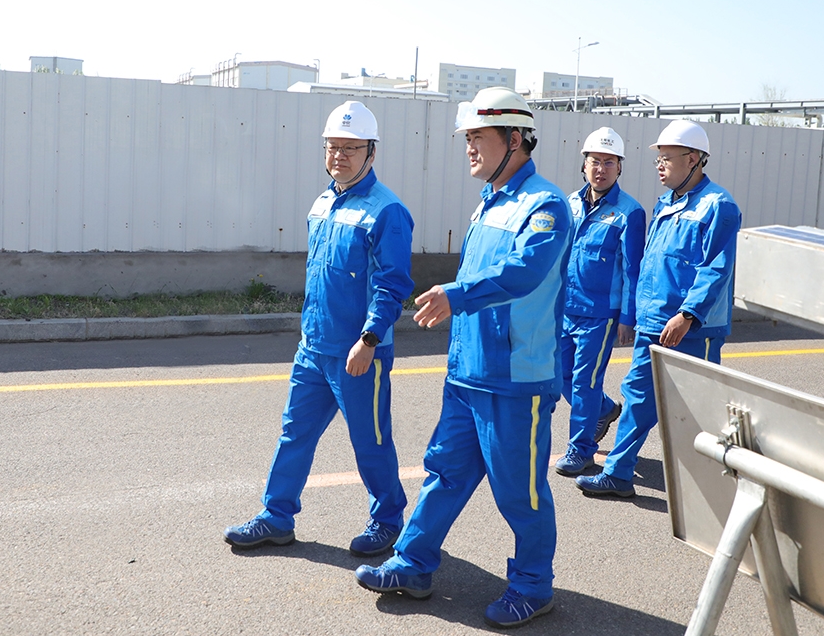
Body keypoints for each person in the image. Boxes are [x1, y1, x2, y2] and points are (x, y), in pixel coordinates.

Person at [354, 87, 572, 629]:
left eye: (478, 136)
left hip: (515, 378)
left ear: (515, 139)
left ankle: (533, 586)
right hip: (468, 372)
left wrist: (455, 295)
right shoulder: (490, 201)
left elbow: (521, 274)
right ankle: (412, 564)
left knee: (519, 493)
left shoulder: (545, 205)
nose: (469, 147)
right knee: (444, 473)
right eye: (467, 137)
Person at [223, 100, 415, 557]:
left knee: (369, 441)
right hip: (313, 347)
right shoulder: (323, 202)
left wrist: (369, 339)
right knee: (295, 434)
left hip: (358, 351)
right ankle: (276, 516)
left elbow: (392, 285)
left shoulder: (387, 211)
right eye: (332, 147)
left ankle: (388, 520)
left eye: (351, 148)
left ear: (371, 152)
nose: (339, 156)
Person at [576, 120, 741, 498]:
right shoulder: (666, 203)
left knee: (696, 408)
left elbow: (716, 268)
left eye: (667, 158)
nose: (660, 166)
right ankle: (618, 474)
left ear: (694, 159)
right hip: (653, 323)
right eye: (658, 159)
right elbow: (651, 265)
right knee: (637, 397)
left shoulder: (718, 206)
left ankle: (713, 486)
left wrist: (688, 315)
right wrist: (638, 314)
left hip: (692, 329)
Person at [554, 128, 646, 477]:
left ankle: (581, 451)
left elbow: (632, 269)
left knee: (584, 382)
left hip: (600, 315)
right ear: (584, 165)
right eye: (595, 161)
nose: (601, 169)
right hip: (566, 308)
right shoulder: (569, 203)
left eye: (609, 162)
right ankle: (604, 409)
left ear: (620, 167)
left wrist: (627, 317)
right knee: (557, 374)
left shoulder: (629, 212)